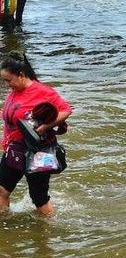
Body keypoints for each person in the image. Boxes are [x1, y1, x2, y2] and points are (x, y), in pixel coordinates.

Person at [0, 51, 72, 216]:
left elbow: (66, 110)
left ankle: (48, 231)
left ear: (21, 75)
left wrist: (46, 126)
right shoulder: (15, 92)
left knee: (39, 199)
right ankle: (4, 228)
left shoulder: (43, 92)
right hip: (15, 149)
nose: (7, 85)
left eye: (8, 80)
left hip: (38, 150)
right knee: (2, 190)